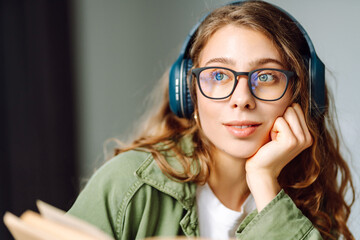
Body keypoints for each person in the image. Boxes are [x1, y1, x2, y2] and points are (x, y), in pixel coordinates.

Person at [68, 1, 355, 239]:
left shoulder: (310, 203)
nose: (242, 98)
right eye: (218, 75)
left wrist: (264, 180)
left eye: (266, 76)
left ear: (301, 94)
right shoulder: (127, 185)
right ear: (189, 92)